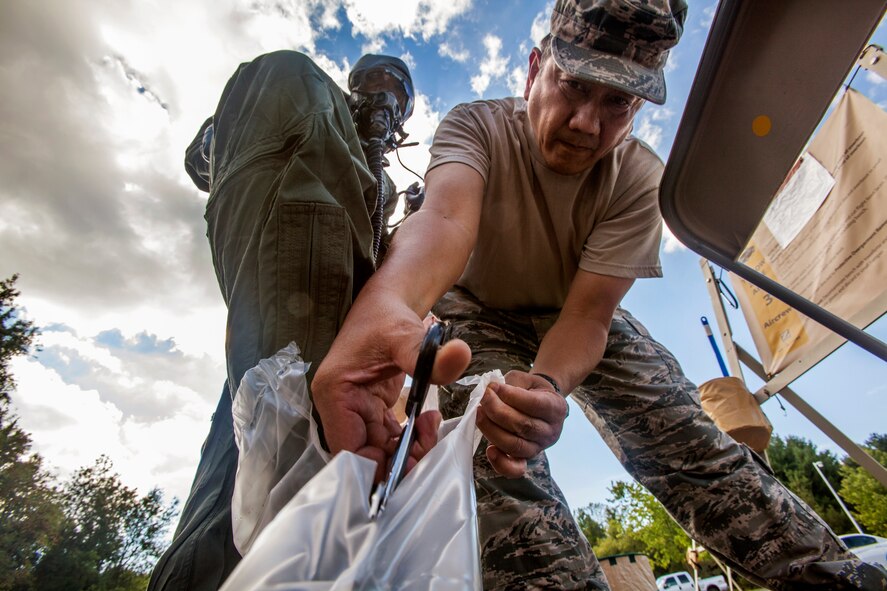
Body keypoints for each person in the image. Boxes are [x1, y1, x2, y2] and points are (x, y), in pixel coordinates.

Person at [311, 1, 887, 590]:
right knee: (491, 456)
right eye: (574, 85)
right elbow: (445, 224)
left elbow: (589, 313)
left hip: (576, 312)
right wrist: (390, 309)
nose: (587, 122)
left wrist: (549, 385)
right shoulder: (477, 125)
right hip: (473, 306)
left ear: (637, 106)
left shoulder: (639, 178)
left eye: (617, 102)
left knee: (687, 439)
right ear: (535, 69)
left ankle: (835, 579)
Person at [148, 50, 418, 590]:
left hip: (347, 359)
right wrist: (328, 116)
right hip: (273, 338)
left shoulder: (379, 185)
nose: (383, 98)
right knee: (227, 504)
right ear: (352, 85)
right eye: (371, 84)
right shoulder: (310, 105)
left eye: (396, 94)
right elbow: (209, 155)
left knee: (313, 519)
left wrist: (410, 224)